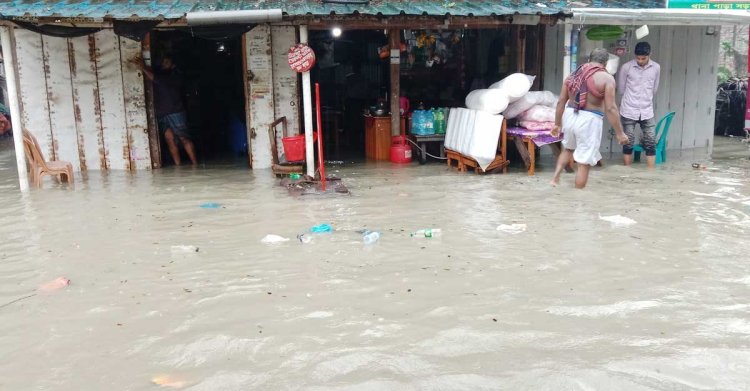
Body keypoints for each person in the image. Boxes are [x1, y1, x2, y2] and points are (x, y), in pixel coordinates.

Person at [550, 48, 629, 189]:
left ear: (589, 59)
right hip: (590, 119)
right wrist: (619, 133)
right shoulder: (607, 78)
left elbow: (561, 101)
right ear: (605, 63)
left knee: (567, 149)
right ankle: (578, 201)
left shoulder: (572, 76)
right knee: (583, 163)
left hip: (569, 115)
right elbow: (610, 108)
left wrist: (557, 124)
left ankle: (555, 178)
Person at [136, 55, 197, 166]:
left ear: (173, 64)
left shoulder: (176, 75)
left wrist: (143, 68)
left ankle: (195, 164)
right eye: (163, 61)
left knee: (184, 138)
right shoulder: (162, 73)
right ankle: (178, 166)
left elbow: (157, 79)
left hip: (175, 112)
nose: (164, 63)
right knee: (170, 139)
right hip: (162, 113)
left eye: (167, 62)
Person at [618, 42, 661, 168]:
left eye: (643, 58)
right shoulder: (627, 67)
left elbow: (655, 88)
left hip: (647, 110)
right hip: (628, 109)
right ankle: (627, 170)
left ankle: (650, 172)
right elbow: (621, 89)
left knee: (650, 141)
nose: (640, 61)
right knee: (628, 141)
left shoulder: (656, 68)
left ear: (649, 55)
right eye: (638, 58)